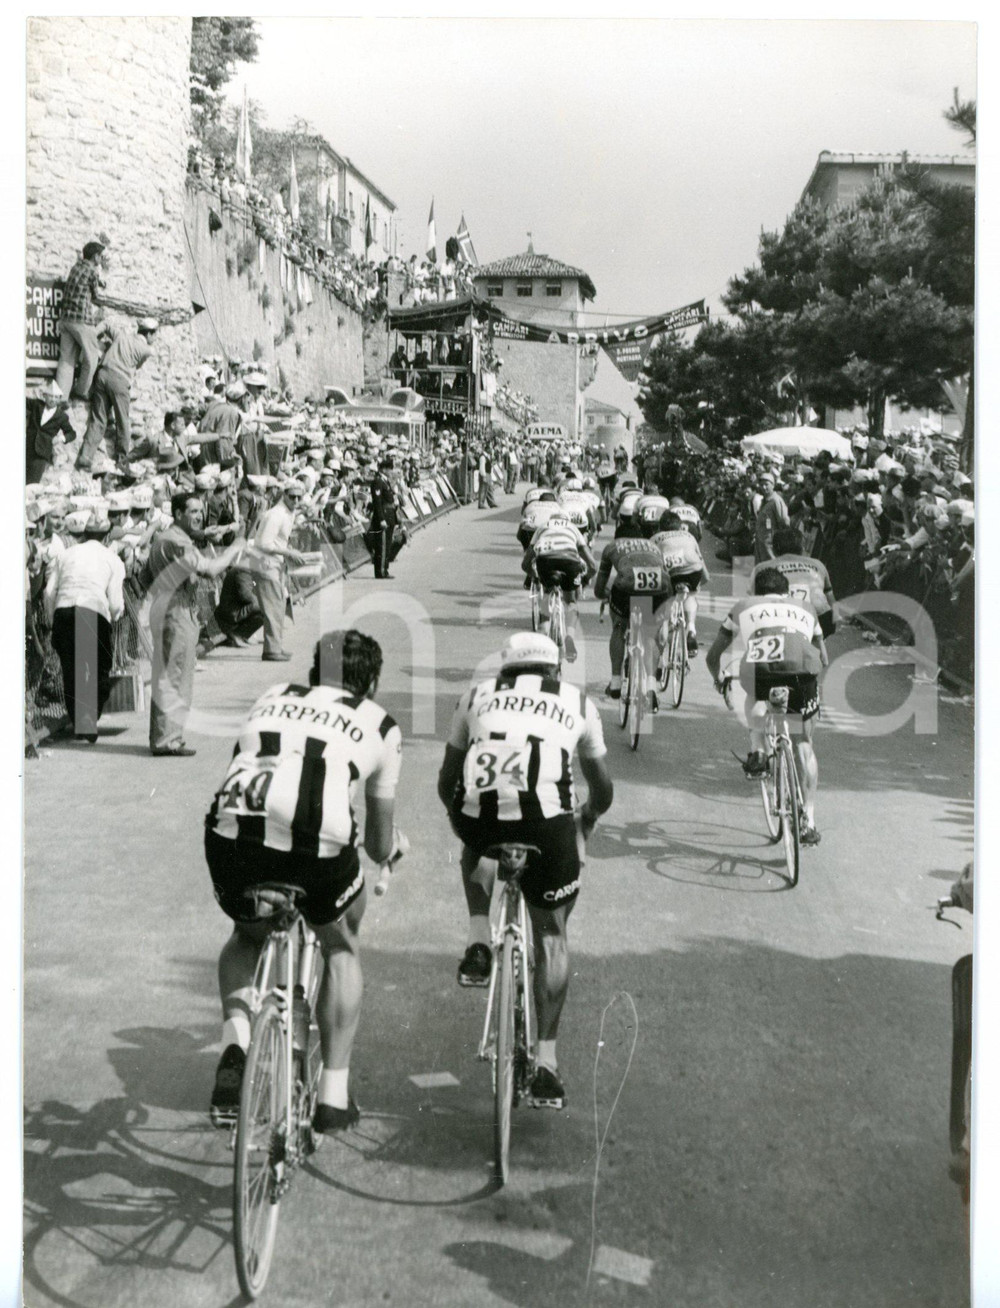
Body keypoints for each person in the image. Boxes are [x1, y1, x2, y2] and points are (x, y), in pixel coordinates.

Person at [205, 629, 404, 1132]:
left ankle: (235, 1042)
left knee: (246, 934)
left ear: (315, 673)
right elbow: (378, 844)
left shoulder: (273, 694)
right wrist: (392, 849)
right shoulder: (380, 723)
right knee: (341, 943)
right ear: (371, 684)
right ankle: (332, 1095)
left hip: (231, 838)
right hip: (318, 850)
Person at [437, 632, 613, 1108]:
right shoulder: (577, 702)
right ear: (554, 671)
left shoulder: (474, 696)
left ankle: (478, 937)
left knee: (474, 833)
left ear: (504, 671)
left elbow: (447, 783)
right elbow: (602, 790)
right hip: (548, 831)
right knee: (551, 935)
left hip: (482, 824)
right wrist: (587, 817)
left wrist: (465, 818)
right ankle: (547, 1063)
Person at [705, 567, 827, 845]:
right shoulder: (806, 608)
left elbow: (713, 656)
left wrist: (720, 679)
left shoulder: (744, 605)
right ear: (786, 591)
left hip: (761, 673)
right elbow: (823, 657)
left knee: (754, 694)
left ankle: (758, 750)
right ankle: (808, 820)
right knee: (803, 743)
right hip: (802, 674)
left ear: (757, 592)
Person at [147, 492, 243, 756]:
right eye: (193, 512)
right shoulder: (178, 542)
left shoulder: (167, 537)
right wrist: (234, 549)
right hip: (177, 607)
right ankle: (167, 740)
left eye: (201, 511)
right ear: (178, 513)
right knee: (176, 675)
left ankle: (165, 736)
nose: (200, 516)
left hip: (168, 603)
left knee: (171, 673)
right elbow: (210, 569)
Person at [43, 512, 125, 742]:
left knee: (71, 671)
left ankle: (81, 722)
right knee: (100, 669)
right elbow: (115, 602)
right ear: (107, 536)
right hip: (93, 612)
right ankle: (88, 719)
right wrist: (114, 617)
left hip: (64, 611)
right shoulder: (112, 559)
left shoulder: (66, 554)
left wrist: (53, 619)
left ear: (85, 534)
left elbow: (49, 592)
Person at [593, 500, 672, 700]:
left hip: (627, 587)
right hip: (659, 587)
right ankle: (651, 686)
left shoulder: (612, 547)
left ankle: (616, 681)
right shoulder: (654, 546)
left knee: (619, 628)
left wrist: (605, 595)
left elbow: (599, 587)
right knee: (650, 635)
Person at [76, 316, 158, 471]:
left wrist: (93, 337)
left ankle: (86, 457)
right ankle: (122, 460)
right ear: (148, 334)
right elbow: (137, 366)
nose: (155, 339)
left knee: (98, 419)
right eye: (154, 335)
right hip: (120, 381)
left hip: (102, 375)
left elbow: (107, 324)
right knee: (123, 422)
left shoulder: (122, 336)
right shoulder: (147, 350)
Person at [521, 514, 597, 662]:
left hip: (545, 561)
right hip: (569, 561)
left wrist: (534, 575)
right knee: (570, 601)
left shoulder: (543, 527)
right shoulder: (573, 528)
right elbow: (592, 565)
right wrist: (585, 579)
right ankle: (569, 637)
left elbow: (525, 563)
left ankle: (544, 628)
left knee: (547, 592)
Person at [251, 480, 309, 660]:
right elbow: (264, 543)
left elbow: (278, 540)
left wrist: (286, 550)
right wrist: (289, 552)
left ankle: (275, 646)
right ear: (284, 495)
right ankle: (272, 650)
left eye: (299, 497)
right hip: (265, 563)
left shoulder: (288, 512)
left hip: (274, 563)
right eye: (292, 496)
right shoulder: (276, 514)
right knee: (273, 608)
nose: (296, 500)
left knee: (278, 605)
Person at [750, 526, 838, 639]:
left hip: (782, 618)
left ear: (774, 549)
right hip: (821, 618)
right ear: (802, 548)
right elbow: (830, 597)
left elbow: (752, 601)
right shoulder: (818, 564)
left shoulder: (761, 568)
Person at [648, 511, 710, 658]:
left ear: (660, 527)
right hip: (692, 570)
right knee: (691, 595)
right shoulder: (689, 536)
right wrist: (700, 583)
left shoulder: (654, 538)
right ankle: (691, 628)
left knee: (663, 607)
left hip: (669, 573)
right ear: (679, 526)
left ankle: (659, 657)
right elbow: (702, 567)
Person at [54, 239, 107, 401]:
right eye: (101, 256)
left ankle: (61, 399)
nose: (101, 259)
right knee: (92, 358)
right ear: (95, 256)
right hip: (82, 321)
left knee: (66, 360)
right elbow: (96, 296)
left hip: (66, 320)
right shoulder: (92, 271)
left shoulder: (75, 267)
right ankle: (81, 391)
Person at [26, 379, 77, 484]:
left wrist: (61, 438)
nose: (53, 399)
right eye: (50, 396)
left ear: (59, 399)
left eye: (56, 397)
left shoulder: (61, 416)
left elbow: (72, 434)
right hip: (26, 447)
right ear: (44, 396)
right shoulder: (36, 405)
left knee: (32, 483)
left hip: (42, 453)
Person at [366, 459, 400, 579]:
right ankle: (380, 571)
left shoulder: (385, 481)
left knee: (387, 544)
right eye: (390, 469)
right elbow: (377, 502)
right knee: (382, 545)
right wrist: (381, 519)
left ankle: (384, 569)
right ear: (384, 469)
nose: (391, 471)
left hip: (389, 515)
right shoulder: (378, 481)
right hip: (384, 516)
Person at [753, 471, 790, 562]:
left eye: (766, 484)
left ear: (773, 485)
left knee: (771, 565)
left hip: (770, 543)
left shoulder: (776, 501)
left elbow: (784, 522)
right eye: (761, 485)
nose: (763, 487)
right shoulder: (764, 501)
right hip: (760, 541)